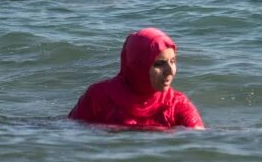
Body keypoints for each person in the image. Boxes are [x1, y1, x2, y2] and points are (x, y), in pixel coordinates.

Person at [69, 28, 204, 130]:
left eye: (173, 61)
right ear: (137, 65)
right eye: (159, 64)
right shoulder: (99, 96)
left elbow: (199, 143)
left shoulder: (177, 105)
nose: (170, 71)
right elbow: (71, 130)